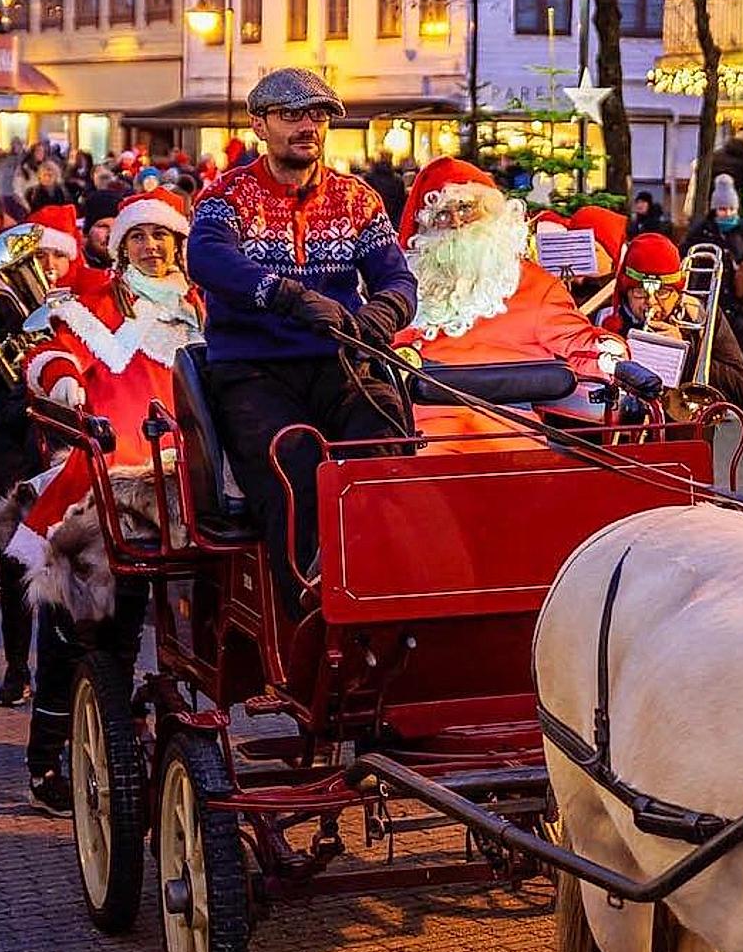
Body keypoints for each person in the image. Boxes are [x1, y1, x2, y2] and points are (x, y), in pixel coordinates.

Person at [189, 68, 418, 611]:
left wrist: (383, 312)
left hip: (339, 362)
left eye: (317, 115)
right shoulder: (228, 197)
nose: (307, 126)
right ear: (259, 125)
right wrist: (284, 294)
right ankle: (306, 614)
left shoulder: (357, 198)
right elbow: (208, 259)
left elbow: (398, 277)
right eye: (292, 115)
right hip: (252, 369)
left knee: (385, 439)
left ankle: (385, 586)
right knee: (292, 464)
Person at [16, 190, 203, 811]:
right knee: (89, 628)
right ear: (120, 245)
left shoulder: (198, 303)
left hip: (187, 476)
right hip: (109, 474)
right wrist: (63, 380)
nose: (153, 247)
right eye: (139, 237)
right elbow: (47, 353)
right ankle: (52, 756)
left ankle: (156, 724)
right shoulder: (92, 300)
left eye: (163, 237)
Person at [393, 158, 621, 449]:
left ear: (492, 215)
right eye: (443, 215)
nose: (459, 223)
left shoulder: (535, 286)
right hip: (424, 435)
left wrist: (611, 355)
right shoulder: (408, 288)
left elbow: (581, 343)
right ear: (427, 228)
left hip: (511, 434)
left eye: (466, 208)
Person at [614, 232, 743, 410]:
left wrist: (686, 355)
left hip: (684, 433)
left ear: (677, 292)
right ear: (626, 292)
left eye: (663, 292)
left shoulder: (699, 314)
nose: (651, 302)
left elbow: (742, 389)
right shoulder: (608, 319)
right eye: (640, 292)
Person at [685, 174, 743, 385]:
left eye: (731, 209)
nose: (728, 214)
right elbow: (685, 254)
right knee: (711, 352)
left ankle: (741, 393)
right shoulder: (702, 230)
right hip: (708, 302)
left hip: (738, 303)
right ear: (715, 209)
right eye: (723, 209)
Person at [81, 187, 123, 271]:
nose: (111, 234)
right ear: (87, 232)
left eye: (117, 227)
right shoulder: (79, 267)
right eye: (103, 226)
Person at [364, 152, 409, 227]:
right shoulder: (398, 180)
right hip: (394, 222)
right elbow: (401, 203)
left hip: (376, 221)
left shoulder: (369, 178)